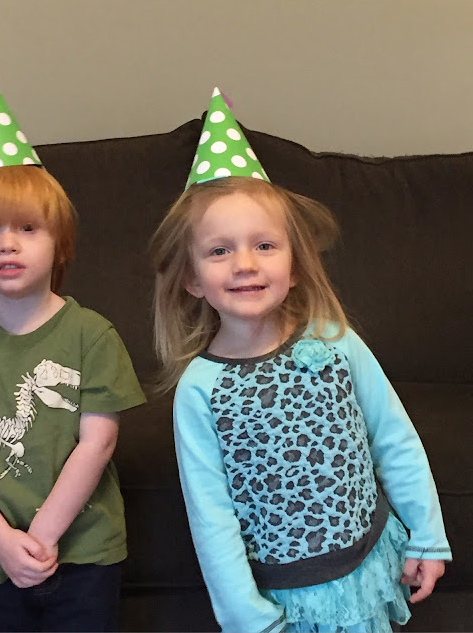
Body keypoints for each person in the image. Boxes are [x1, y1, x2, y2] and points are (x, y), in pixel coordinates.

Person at [150, 88, 451, 633]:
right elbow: (211, 515)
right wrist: (245, 615)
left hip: (371, 564)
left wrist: (427, 534)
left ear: (294, 266)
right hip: (286, 598)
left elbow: (394, 438)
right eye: (220, 250)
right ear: (192, 278)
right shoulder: (200, 388)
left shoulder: (335, 341)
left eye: (264, 245)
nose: (244, 263)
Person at [0, 68, 146, 632]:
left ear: (59, 243)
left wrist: (41, 537)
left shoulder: (93, 334)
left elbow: (98, 441)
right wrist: (3, 541)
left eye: (27, 228)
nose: (7, 244)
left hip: (84, 553)